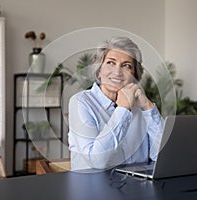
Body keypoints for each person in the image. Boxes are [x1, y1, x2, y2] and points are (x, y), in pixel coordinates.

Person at [68, 36, 164, 171]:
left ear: (135, 75)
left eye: (126, 65)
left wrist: (148, 107)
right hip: (93, 188)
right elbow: (97, 161)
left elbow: (162, 156)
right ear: (99, 70)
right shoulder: (81, 102)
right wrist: (123, 109)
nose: (117, 72)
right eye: (111, 63)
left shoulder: (140, 108)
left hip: (136, 188)